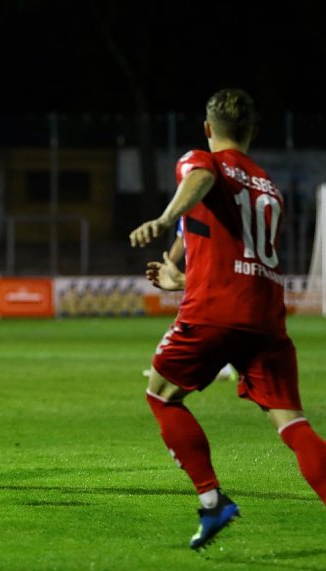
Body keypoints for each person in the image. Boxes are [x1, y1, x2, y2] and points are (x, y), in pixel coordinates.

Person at [130, 88, 326, 550]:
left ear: (207, 128)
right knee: (293, 424)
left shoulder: (203, 160)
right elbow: (237, 251)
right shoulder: (268, 185)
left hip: (217, 310)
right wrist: (184, 280)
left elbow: (199, 177)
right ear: (253, 130)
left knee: (161, 395)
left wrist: (165, 218)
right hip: (265, 313)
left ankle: (213, 500)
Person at [141, 219, 238, 382]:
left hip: (210, 278)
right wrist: (168, 264)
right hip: (196, 278)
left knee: (192, 323)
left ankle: (166, 368)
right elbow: (181, 240)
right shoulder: (188, 213)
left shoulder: (211, 211)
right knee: (196, 323)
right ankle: (221, 367)